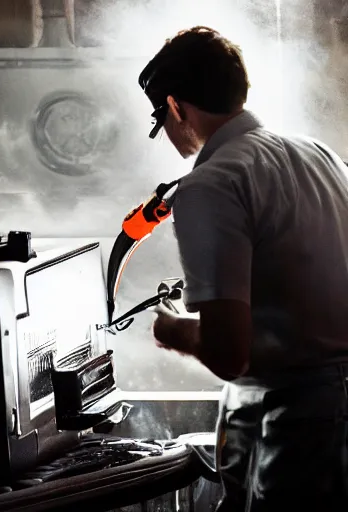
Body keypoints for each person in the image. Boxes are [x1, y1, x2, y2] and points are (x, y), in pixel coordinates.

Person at [141, 26, 348, 511]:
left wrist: (172, 329)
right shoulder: (319, 154)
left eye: (160, 117)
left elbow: (228, 353)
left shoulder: (211, 184)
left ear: (175, 107)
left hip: (300, 426)